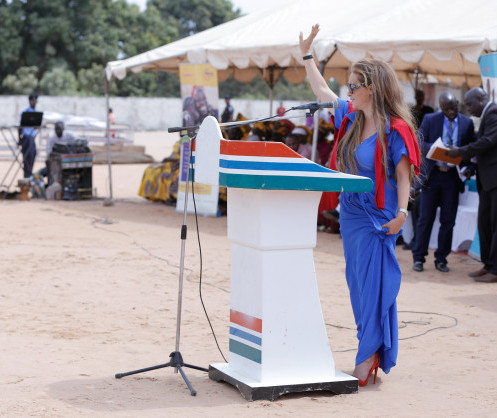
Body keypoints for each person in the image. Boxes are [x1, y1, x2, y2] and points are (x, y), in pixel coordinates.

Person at [300, 24, 420, 386]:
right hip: (350, 214)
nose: (348, 91)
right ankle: (368, 349)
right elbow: (321, 91)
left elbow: (404, 176)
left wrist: (402, 214)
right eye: (348, 86)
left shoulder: (396, 129)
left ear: (372, 89)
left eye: (354, 86)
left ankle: (367, 357)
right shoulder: (350, 118)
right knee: (356, 283)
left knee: (373, 286)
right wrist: (307, 55)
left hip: (379, 217)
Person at [411, 92, 475, 273]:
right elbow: (419, 143)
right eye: (447, 109)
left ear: (458, 103)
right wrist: (435, 148)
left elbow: (471, 149)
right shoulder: (430, 119)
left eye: (454, 107)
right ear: (441, 107)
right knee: (425, 219)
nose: (451, 112)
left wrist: (468, 167)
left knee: (448, 221)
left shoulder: (467, 123)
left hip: (453, 177)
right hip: (433, 176)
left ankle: (441, 259)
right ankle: (419, 258)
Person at [447, 87, 497, 282]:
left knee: (494, 225)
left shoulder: (493, 112)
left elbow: (488, 141)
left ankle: (495, 270)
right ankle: (488, 264)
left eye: (469, 104)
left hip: (494, 180)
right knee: (484, 224)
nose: (468, 109)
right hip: (487, 180)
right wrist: (471, 167)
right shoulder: (487, 114)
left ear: (481, 99)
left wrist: (460, 151)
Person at [18, 93, 40, 178]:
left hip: (32, 139)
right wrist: (19, 139)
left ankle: (28, 176)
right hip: (26, 139)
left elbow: (36, 128)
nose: (34, 102)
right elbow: (20, 127)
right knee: (27, 159)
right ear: (30, 101)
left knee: (32, 156)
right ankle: (27, 177)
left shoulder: (36, 113)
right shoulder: (25, 112)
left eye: (36, 100)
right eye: (33, 100)